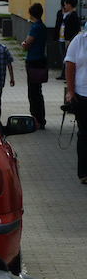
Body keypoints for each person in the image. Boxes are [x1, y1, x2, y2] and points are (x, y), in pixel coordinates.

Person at [63, 30, 87, 184]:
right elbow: (70, 67)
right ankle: (84, 173)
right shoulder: (79, 41)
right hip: (83, 95)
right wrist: (71, 92)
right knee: (85, 134)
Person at [21, 3, 48, 129]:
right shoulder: (43, 26)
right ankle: (41, 118)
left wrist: (23, 44)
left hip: (33, 61)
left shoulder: (35, 27)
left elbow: (27, 43)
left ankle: (36, 119)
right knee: (38, 91)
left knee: (33, 92)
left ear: (32, 14)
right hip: (41, 59)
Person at [55, 0, 80, 80]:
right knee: (64, 57)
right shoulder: (69, 15)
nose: (65, 6)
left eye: (66, 4)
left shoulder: (73, 15)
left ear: (69, 5)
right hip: (64, 39)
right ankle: (64, 74)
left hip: (69, 40)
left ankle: (66, 75)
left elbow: (75, 29)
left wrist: (70, 40)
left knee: (67, 57)